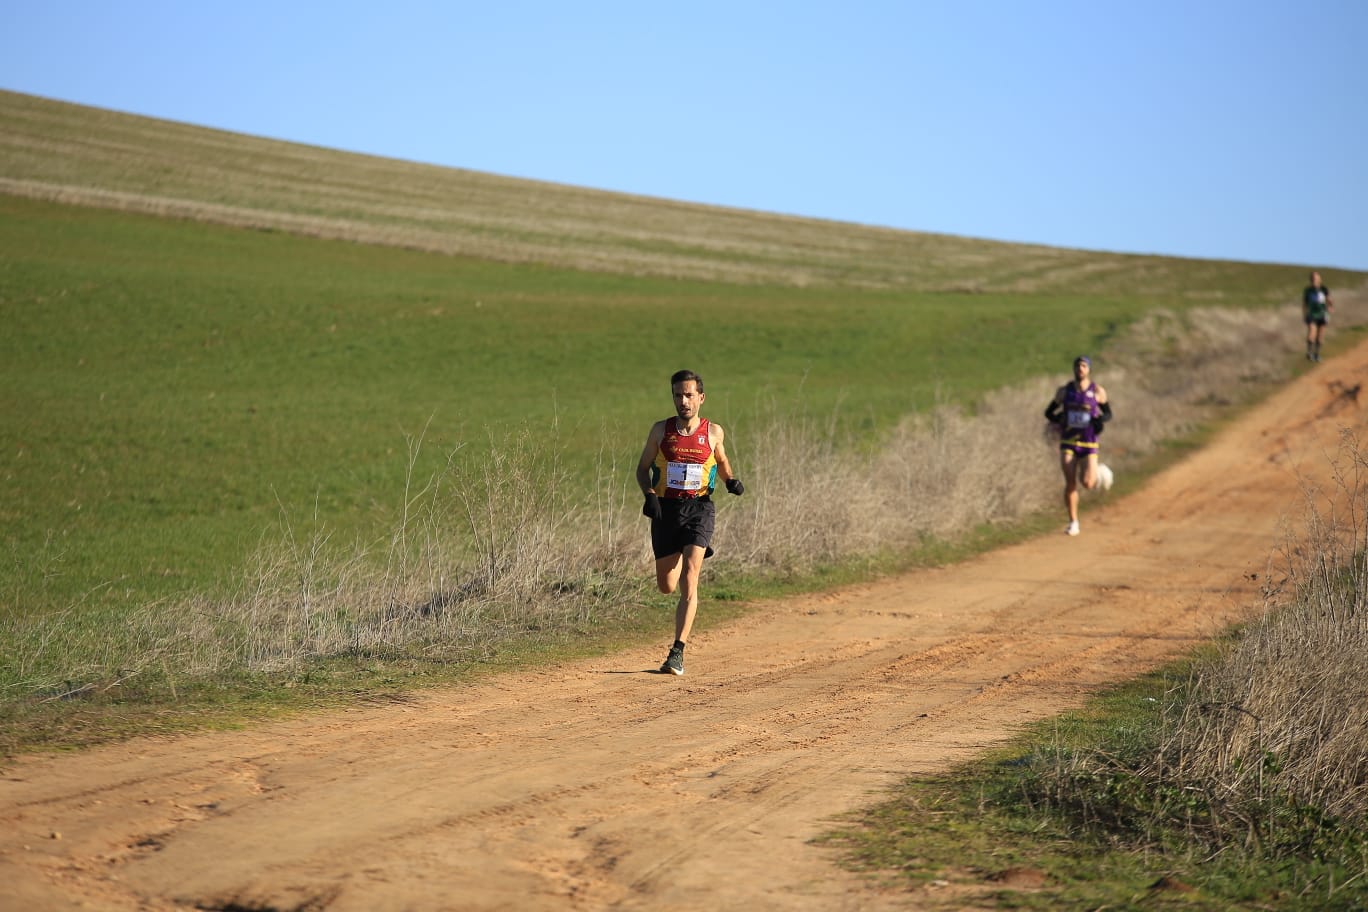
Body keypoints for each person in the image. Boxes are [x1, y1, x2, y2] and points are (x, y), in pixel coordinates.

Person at [636, 369, 743, 676]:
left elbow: (721, 461)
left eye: (688, 395)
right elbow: (642, 469)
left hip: (699, 508)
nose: (683, 401)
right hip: (666, 511)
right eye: (677, 395)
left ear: (701, 398)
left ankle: (677, 652)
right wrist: (649, 495)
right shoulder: (660, 431)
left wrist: (731, 480)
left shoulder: (713, 432)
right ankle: (683, 553)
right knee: (667, 585)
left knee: (690, 577)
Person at [1044, 356, 1112, 537]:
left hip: (1089, 442)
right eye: (1077, 366)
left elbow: (1108, 414)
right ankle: (1073, 522)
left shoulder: (1097, 391)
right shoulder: (1064, 392)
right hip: (1068, 442)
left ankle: (1100, 472)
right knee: (1070, 482)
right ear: (1073, 369)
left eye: (1083, 366)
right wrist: (1059, 419)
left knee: (1088, 483)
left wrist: (1099, 421)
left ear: (1088, 369)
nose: (1080, 369)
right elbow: (1049, 412)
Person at [1303, 270, 1334, 362]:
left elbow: (1329, 300)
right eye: (1313, 278)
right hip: (1312, 314)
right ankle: (1309, 352)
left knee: (1320, 335)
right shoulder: (1308, 290)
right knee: (1312, 331)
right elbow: (1304, 303)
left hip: (1322, 313)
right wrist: (1304, 314)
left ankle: (1317, 354)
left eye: (1316, 278)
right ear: (1310, 280)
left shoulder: (1324, 289)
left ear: (1320, 279)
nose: (1314, 280)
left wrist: (1331, 307)